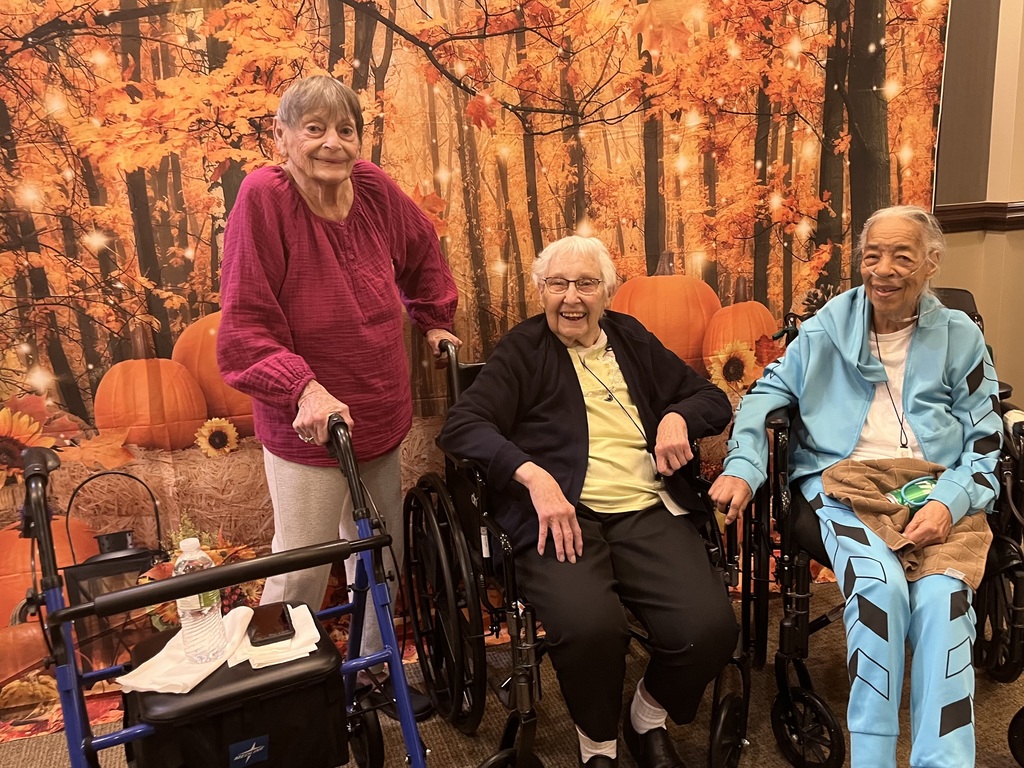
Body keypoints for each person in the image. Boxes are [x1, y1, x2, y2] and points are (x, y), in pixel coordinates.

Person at [709, 205, 1003, 768]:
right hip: (841, 483)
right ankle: (871, 758)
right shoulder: (826, 330)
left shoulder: (959, 336)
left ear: (931, 263)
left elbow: (987, 437)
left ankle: (943, 762)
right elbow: (762, 397)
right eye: (872, 256)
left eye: (901, 257)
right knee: (878, 590)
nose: (883, 270)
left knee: (944, 601)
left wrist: (952, 500)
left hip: (934, 485)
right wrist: (744, 466)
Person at [439, 235, 737, 768]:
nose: (571, 297)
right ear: (541, 291)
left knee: (709, 631)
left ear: (607, 293)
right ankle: (598, 745)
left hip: (647, 507)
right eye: (558, 284)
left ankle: (647, 715)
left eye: (585, 284)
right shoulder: (524, 349)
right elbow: (462, 426)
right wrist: (534, 477)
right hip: (562, 517)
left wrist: (677, 417)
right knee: (591, 629)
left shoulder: (630, 337)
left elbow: (711, 398)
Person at [216, 75, 460, 715]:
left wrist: (433, 317)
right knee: (301, 566)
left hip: (378, 406)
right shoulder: (263, 198)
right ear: (282, 136)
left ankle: (371, 673)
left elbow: (422, 252)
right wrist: (302, 388)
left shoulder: (372, 187)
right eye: (314, 128)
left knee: (382, 554)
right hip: (309, 424)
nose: (333, 143)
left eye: (345, 129)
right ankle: (278, 695)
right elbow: (245, 327)